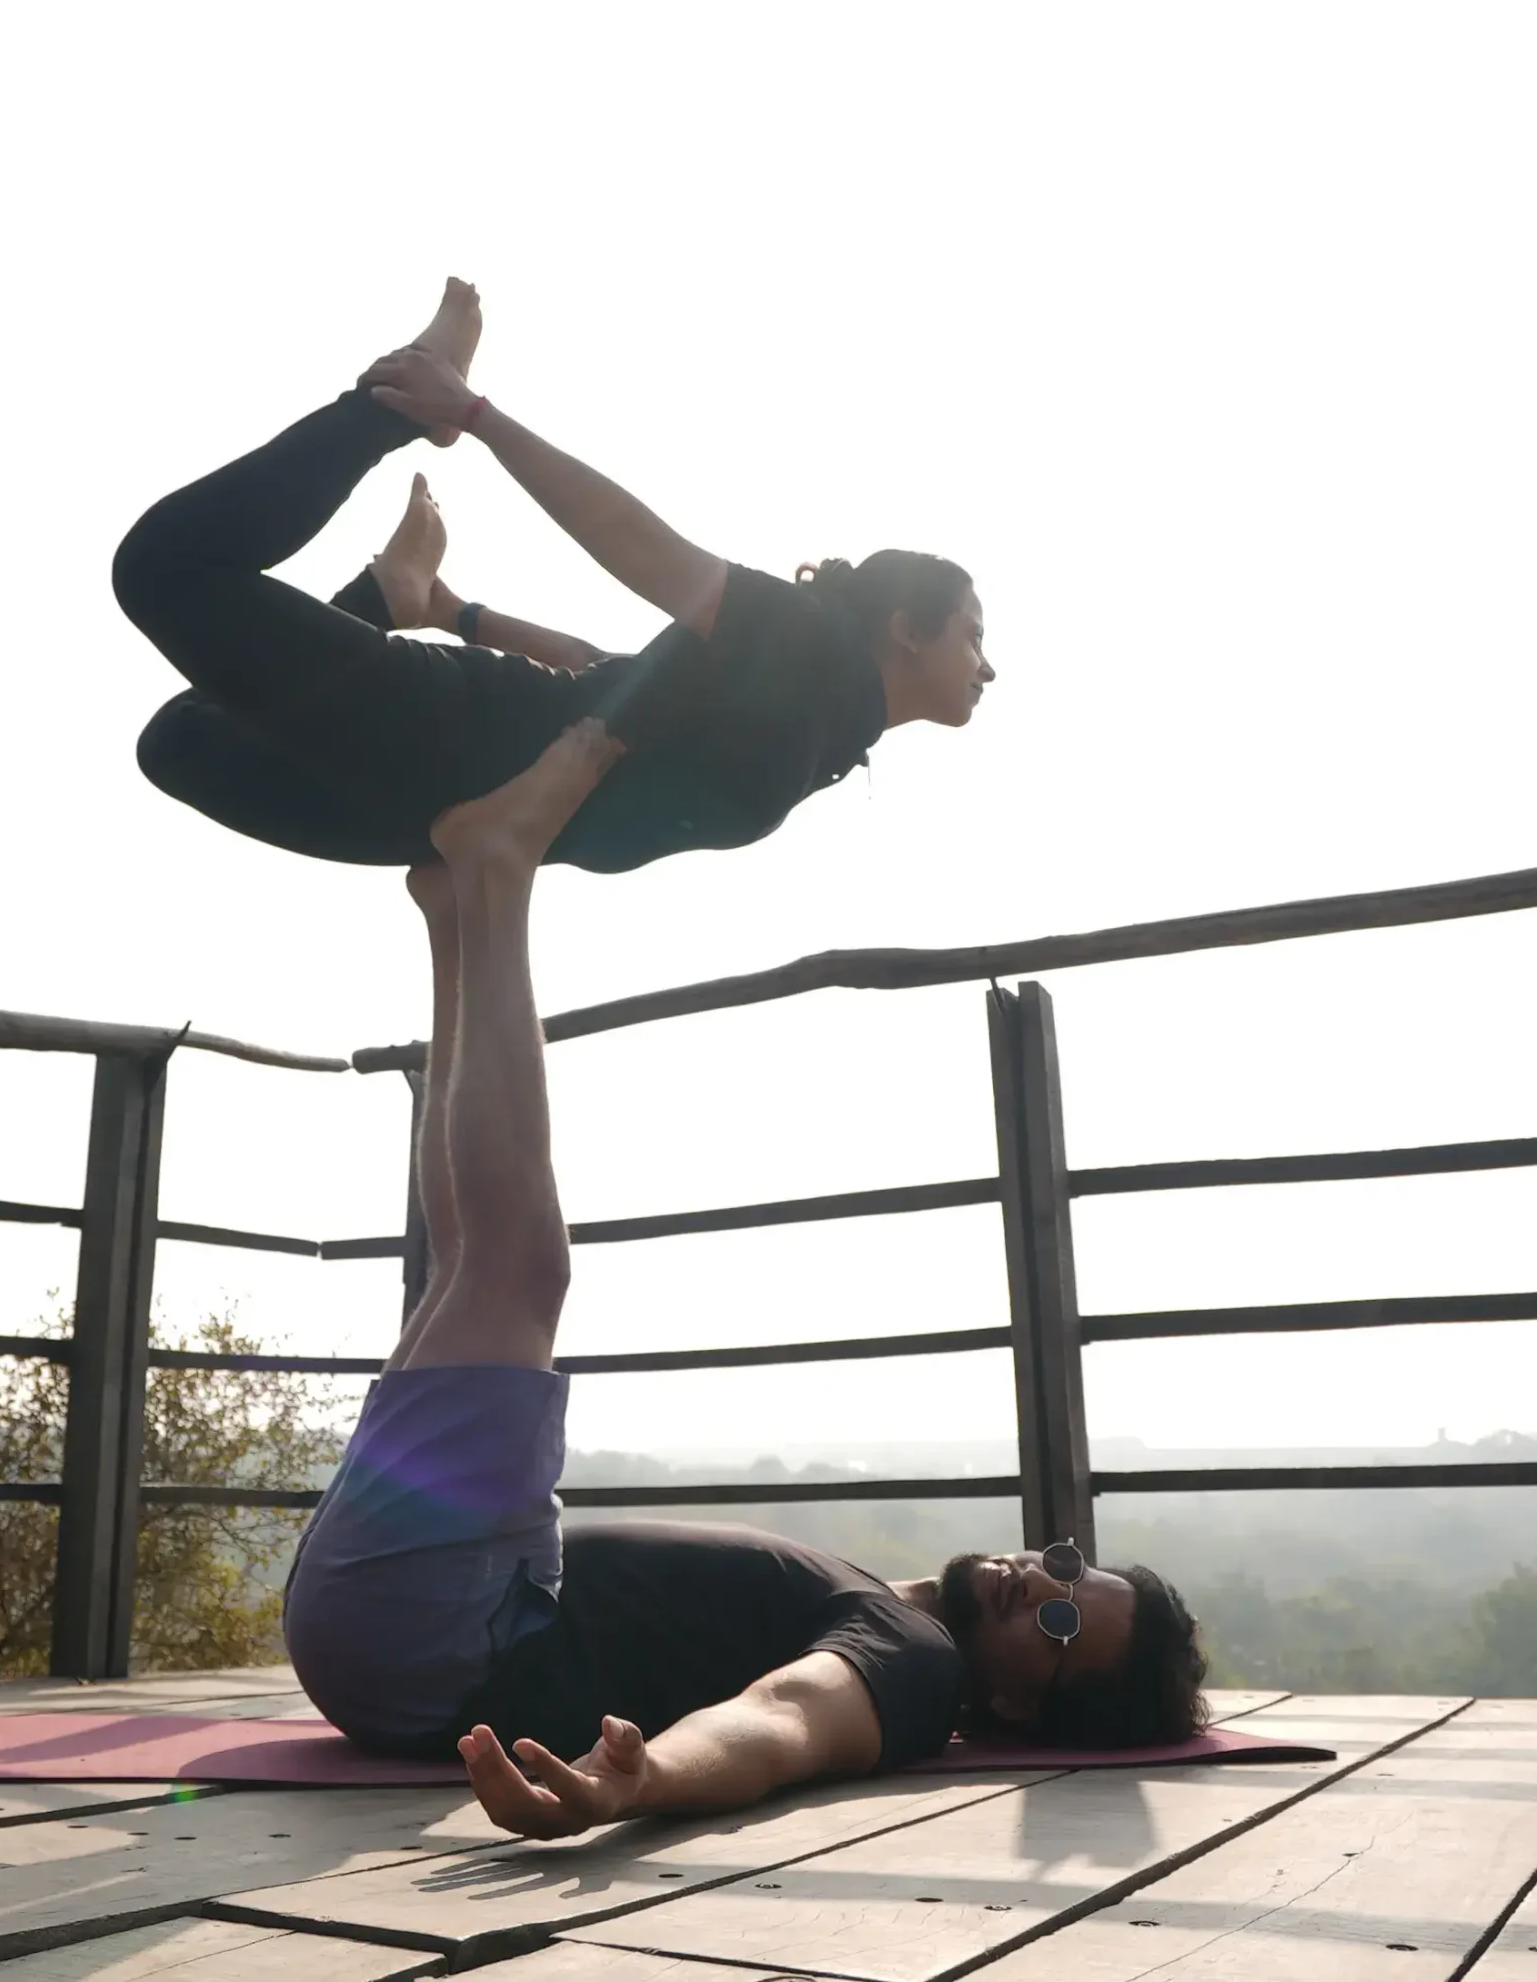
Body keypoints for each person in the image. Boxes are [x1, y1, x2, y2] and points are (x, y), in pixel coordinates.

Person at [282, 727, 1209, 1837]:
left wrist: (648, 1779)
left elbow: (784, 1720)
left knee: (515, 1266)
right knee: (468, 1256)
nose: (1036, 1584)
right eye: (1069, 1571)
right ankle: (461, 912)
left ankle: (501, 874)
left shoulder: (910, 1662)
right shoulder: (888, 1604)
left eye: (1058, 1628)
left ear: (1015, 1702)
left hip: (447, 1632)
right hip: (429, 1613)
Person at [112, 282, 993, 873]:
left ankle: (388, 598)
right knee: (161, 568)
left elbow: (608, 669)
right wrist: (475, 416)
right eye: (972, 635)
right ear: (905, 626)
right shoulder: (810, 645)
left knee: (178, 742)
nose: (986, 666)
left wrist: (462, 612)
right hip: (455, 733)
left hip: (435, 817)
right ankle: (385, 409)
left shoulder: (831, 733)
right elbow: (637, 545)